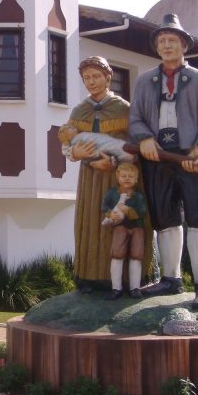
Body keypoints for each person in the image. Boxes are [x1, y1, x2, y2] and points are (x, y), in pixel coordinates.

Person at [128, 13, 198, 309]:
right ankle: (170, 279)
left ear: (184, 46)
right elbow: (135, 119)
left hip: (191, 160)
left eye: (172, 41)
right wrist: (144, 137)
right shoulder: (145, 81)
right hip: (157, 158)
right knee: (165, 219)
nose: (167, 46)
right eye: (162, 41)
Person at [59, 56, 141, 292]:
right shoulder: (79, 110)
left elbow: (135, 145)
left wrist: (113, 161)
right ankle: (89, 277)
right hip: (89, 178)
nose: (91, 82)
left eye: (96, 76)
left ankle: (123, 281)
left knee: (117, 223)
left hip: (119, 178)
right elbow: (68, 142)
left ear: (108, 77)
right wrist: (74, 151)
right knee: (90, 221)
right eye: (87, 78)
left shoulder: (123, 108)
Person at [101, 162, 149, 299]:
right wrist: (110, 214)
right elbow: (104, 207)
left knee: (136, 256)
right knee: (117, 255)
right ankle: (116, 288)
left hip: (136, 228)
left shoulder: (138, 196)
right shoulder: (112, 193)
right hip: (120, 228)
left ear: (136, 178)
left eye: (130, 176)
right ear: (118, 177)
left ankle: (135, 288)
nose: (127, 179)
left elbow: (142, 211)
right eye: (123, 176)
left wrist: (129, 210)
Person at [59, 123, 136, 166]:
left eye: (72, 128)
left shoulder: (121, 105)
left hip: (104, 144)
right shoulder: (79, 110)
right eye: (71, 129)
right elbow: (66, 148)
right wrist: (74, 152)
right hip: (96, 155)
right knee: (114, 147)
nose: (74, 129)